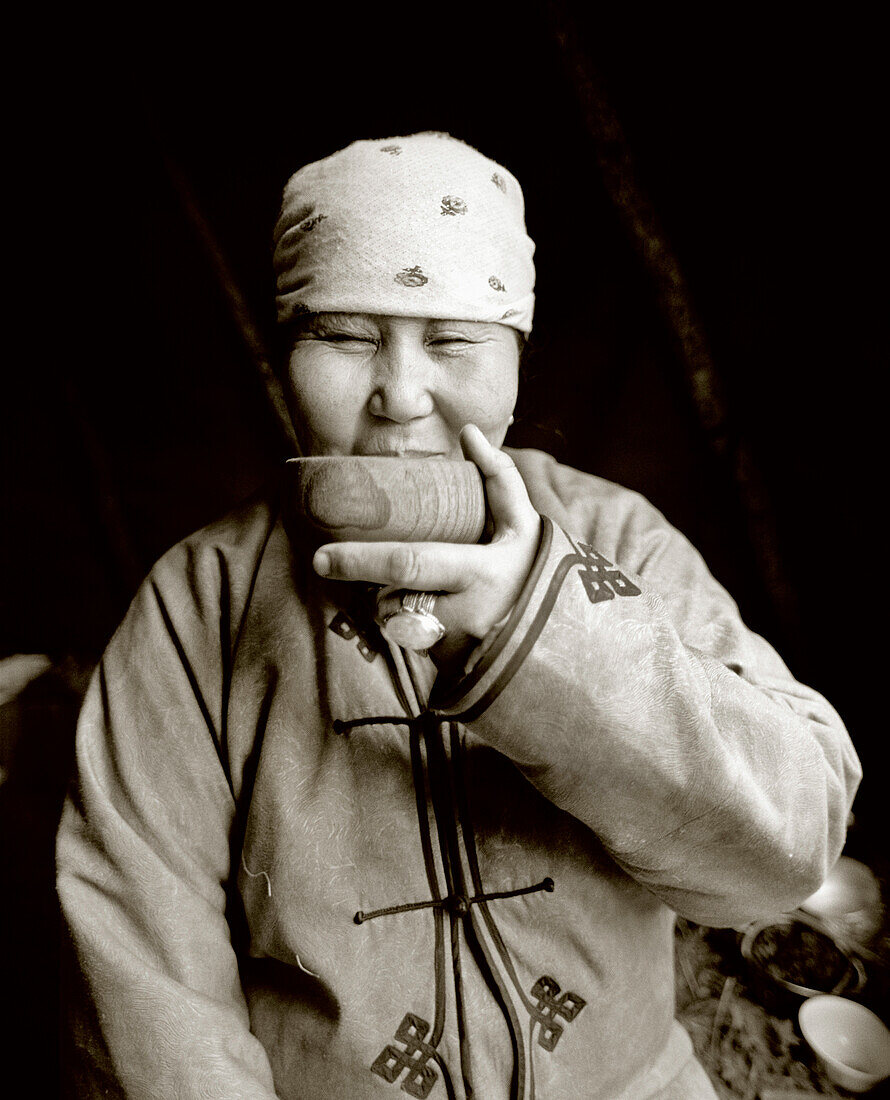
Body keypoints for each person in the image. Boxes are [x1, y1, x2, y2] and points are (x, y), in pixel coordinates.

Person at [56, 132, 861, 1099]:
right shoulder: (202, 602)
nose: (400, 395)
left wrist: (547, 626)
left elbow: (788, 850)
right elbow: (145, 970)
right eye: (345, 337)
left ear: (516, 358)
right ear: (286, 356)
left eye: (451, 341)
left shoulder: (620, 543)